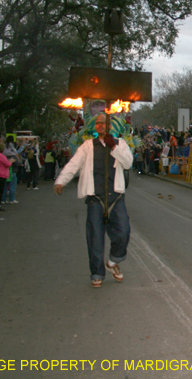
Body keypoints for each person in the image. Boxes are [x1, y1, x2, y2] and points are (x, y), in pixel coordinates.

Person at [54, 113, 134, 288]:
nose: (100, 126)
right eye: (97, 123)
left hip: (115, 198)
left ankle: (113, 262)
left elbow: (128, 163)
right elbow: (73, 164)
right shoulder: (87, 146)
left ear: (110, 126)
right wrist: (61, 180)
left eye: (103, 123)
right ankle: (97, 273)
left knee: (123, 233)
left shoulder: (120, 144)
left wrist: (114, 147)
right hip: (95, 198)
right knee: (95, 238)